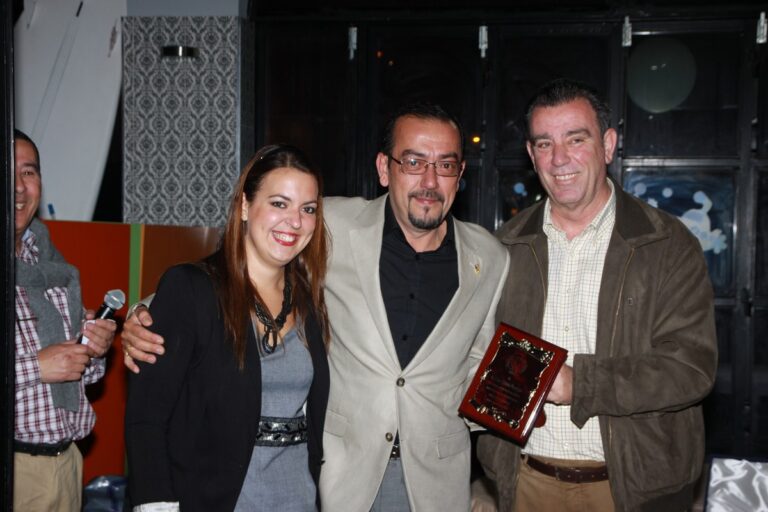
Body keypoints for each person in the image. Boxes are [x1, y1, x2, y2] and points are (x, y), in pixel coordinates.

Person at [122, 103, 510, 511]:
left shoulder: (490, 257)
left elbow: (477, 364)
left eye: (445, 165)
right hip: (343, 476)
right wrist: (144, 315)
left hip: (433, 482)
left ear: (461, 174)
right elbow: (231, 271)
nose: (429, 180)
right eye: (413, 161)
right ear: (384, 168)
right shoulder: (333, 223)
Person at [476, 79, 718, 511]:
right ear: (531, 156)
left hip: (633, 488)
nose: (560, 158)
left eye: (576, 139)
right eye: (545, 144)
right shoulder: (503, 247)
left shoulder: (665, 243)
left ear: (607, 144)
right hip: (525, 482)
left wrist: (579, 383)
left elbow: (690, 368)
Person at [124, 144, 331, 512]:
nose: (295, 221)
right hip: (215, 500)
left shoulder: (309, 301)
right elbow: (146, 418)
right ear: (245, 207)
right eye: (279, 204)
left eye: (308, 209)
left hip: (297, 498)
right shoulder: (192, 288)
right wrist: (155, 505)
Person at [13, 129, 117, 511]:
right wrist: (37, 367)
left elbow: (81, 374)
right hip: (14, 469)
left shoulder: (50, 263)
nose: (19, 188)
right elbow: (45, 366)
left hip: (67, 463)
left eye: (28, 172)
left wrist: (92, 349)